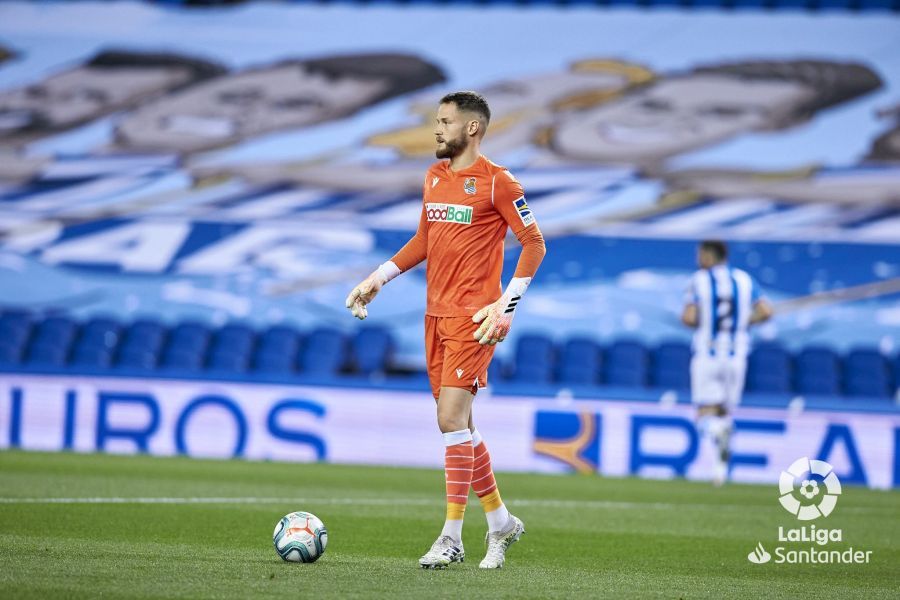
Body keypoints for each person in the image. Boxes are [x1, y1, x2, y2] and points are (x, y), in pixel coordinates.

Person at [345, 91, 546, 569]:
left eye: (445, 121)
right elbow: (425, 238)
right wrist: (378, 278)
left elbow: (534, 244)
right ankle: (501, 523)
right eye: (436, 121)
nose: (436, 129)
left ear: (472, 128)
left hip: (475, 320)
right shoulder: (434, 176)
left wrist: (505, 307)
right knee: (463, 427)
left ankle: (451, 537)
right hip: (434, 316)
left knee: (450, 420)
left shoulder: (499, 182)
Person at [681, 240, 772, 486]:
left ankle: (716, 433)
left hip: (708, 354)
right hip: (737, 355)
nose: (698, 259)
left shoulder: (699, 280)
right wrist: (743, 322)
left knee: (705, 415)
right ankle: (720, 471)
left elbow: (689, 317)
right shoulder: (745, 279)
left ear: (709, 256)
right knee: (723, 412)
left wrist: (698, 321)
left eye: (700, 254)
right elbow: (766, 312)